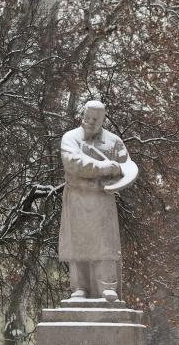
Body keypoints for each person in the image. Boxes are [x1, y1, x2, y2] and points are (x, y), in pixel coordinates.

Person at [59, 101, 138, 302]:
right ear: (82, 115)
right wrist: (102, 169)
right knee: (78, 243)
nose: (91, 122)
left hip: (102, 199)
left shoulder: (114, 142)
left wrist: (118, 172)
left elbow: (127, 166)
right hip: (77, 197)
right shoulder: (70, 138)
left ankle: (107, 286)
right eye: (88, 117)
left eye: (96, 119)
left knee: (105, 244)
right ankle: (80, 287)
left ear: (103, 120)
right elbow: (74, 163)